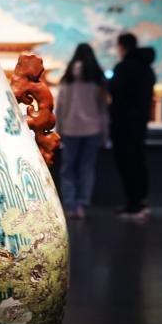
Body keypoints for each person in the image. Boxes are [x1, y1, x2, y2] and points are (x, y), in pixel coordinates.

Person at [55, 43, 109, 220]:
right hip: (93, 129)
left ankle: (69, 204)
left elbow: (60, 106)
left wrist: (59, 129)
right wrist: (105, 134)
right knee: (86, 168)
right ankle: (81, 204)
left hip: (70, 129)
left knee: (68, 168)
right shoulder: (97, 79)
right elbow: (103, 109)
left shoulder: (67, 78)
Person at [108, 32, 156, 220]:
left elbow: (114, 89)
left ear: (122, 47)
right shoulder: (146, 68)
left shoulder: (124, 67)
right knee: (138, 161)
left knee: (127, 163)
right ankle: (140, 202)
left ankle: (133, 204)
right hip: (139, 122)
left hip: (123, 123)